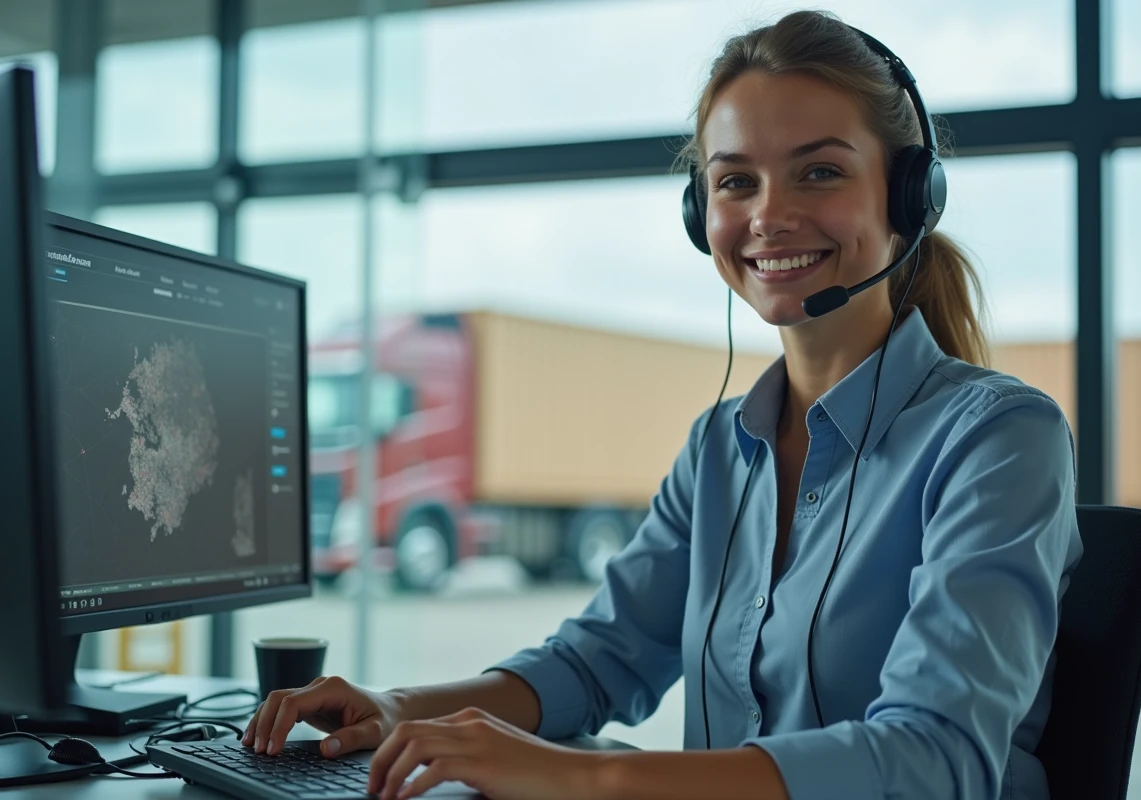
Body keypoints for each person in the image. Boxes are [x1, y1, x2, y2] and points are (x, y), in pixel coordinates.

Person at [244, 10, 1083, 800]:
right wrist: (401, 708)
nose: (769, 216)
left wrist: (584, 782)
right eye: (735, 181)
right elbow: (600, 658)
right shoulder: (721, 448)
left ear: (908, 198)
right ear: (700, 212)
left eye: (819, 172)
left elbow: (934, 759)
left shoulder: (1001, 439)